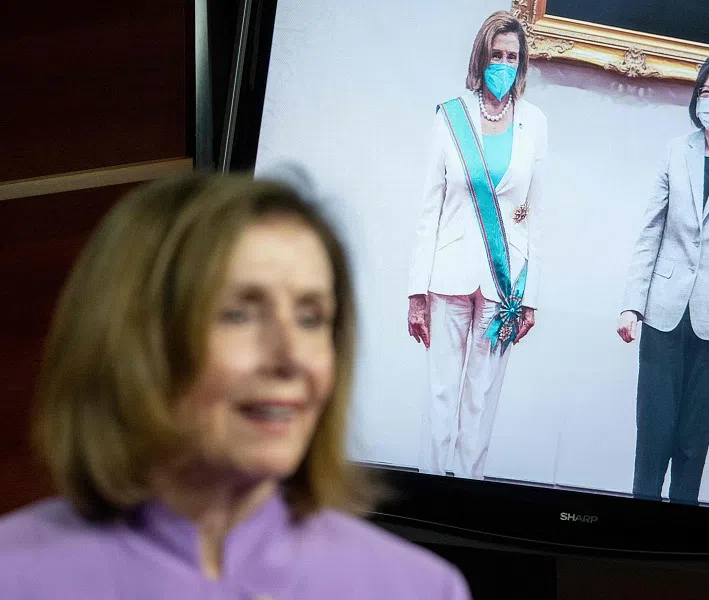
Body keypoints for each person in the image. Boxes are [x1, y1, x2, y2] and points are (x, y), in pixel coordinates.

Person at [0, 173, 471, 599]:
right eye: (238, 314)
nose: (291, 358)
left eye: (311, 319)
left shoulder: (420, 589)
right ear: (134, 340)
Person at [617, 50, 709, 504]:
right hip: (663, 312)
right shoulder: (674, 152)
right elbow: (650, 232)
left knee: (691, 443)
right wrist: (631, 303)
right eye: (707, 91)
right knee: (653, 435)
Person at [407, 10, 548, 480]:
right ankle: (430, 496)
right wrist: (415, 292)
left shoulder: (535, 123)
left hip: (502, 284)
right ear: (480, 56)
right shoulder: (451, 117)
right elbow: (429, 209)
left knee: (480, 401)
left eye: (512, 56)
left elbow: (536, 215)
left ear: (522, 63)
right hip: (447, 277)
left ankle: (470, 493)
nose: (503, 64)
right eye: (496, 55)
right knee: (442, 396)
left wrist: (530, 297)